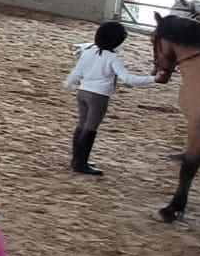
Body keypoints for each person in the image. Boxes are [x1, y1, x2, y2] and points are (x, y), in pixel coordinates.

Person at [62, 21, 156, 175]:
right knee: (90, 128)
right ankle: (81, 164)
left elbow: (77, 72)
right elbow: (128, 79)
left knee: (81, 126)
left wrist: (68, 83)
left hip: (82, 92)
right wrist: (153, 79)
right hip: (98, 97)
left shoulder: (88, 51)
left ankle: (76, 159)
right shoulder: (113, 58)